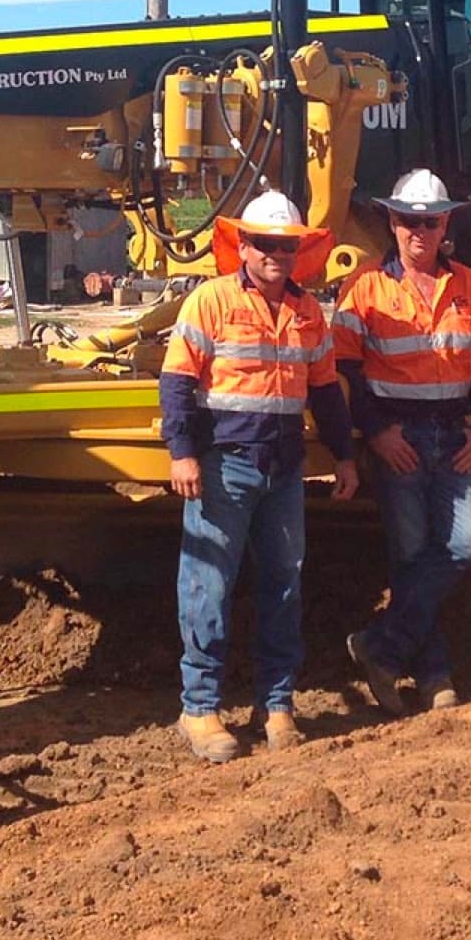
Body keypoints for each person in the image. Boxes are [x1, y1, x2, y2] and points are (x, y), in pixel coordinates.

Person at [159, 190, 362, 762]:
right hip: (224, 465)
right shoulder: (210, 302)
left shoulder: (307, 312)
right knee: (208, 586)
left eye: (286, 245)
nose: (276, 253)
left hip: (283, 469)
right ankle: (198, 708)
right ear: (242, 246)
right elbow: (176, 381)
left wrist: (344, 456)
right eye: (265, 243)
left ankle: (277, 704)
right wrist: (182, 453)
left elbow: (324, 389)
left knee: (283, 585)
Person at [333, 170, 471, 716]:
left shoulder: (470, 287)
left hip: (455, 436)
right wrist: (377, 433)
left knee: (463, 546)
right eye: (408, 220)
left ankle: (380, 645)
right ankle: (434, 676)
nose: (418, 231)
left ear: (444, 224)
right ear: (392, 220)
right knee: (411, 558)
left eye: (428, 221)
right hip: (399, 437)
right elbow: (346, 371)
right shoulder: (364, 287)